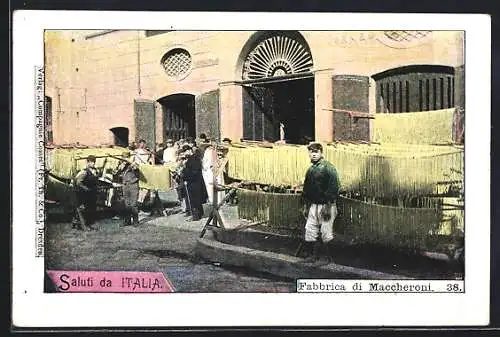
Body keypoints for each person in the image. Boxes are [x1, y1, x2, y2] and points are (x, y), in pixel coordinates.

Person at [300, 142, 340, 265]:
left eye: (316, 152)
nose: (313, 155)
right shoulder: (311, 170)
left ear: (321, 153)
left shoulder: (329, 168)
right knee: (310, 230)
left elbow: (334, 188)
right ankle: (313, 256)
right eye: (311, 152)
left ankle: (328, 259)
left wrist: (328, 206)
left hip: (326, 205)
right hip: (314, 205)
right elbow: (306, 189)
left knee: (326, 232)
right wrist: (306, 206)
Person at [181, 143, 208, 221]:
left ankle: (196, 215)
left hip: (193, 182)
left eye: (186, 151)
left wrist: (185, 175)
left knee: (194, 199)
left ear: (190, 151)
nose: (185, 153)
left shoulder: (193, 159)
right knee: (197, 198)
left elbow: (193, 171)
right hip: (195, 181)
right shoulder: (193, 158)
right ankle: (200, 213)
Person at [72, 155, 99, 231]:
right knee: (83, 209)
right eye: (91, 162)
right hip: (84, 194)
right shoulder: (84, 171)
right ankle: (82, 225)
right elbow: (78, 182)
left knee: (91, 209)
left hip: (92, 193)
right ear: (87, 162)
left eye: (94, 162)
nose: (93, 163)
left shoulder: (95, 171)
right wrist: (86, 189)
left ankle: (89, 224)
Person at [118, 156, 141, 227]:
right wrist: (121, 166)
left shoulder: (133, 165)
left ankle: (135, 221)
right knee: (127, 204)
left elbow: (137, 168)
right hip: (125, 185)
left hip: (133, 185)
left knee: (133, 204)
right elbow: (117, 172)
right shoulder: (122, 166)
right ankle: (127, 221)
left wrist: (131, 163)